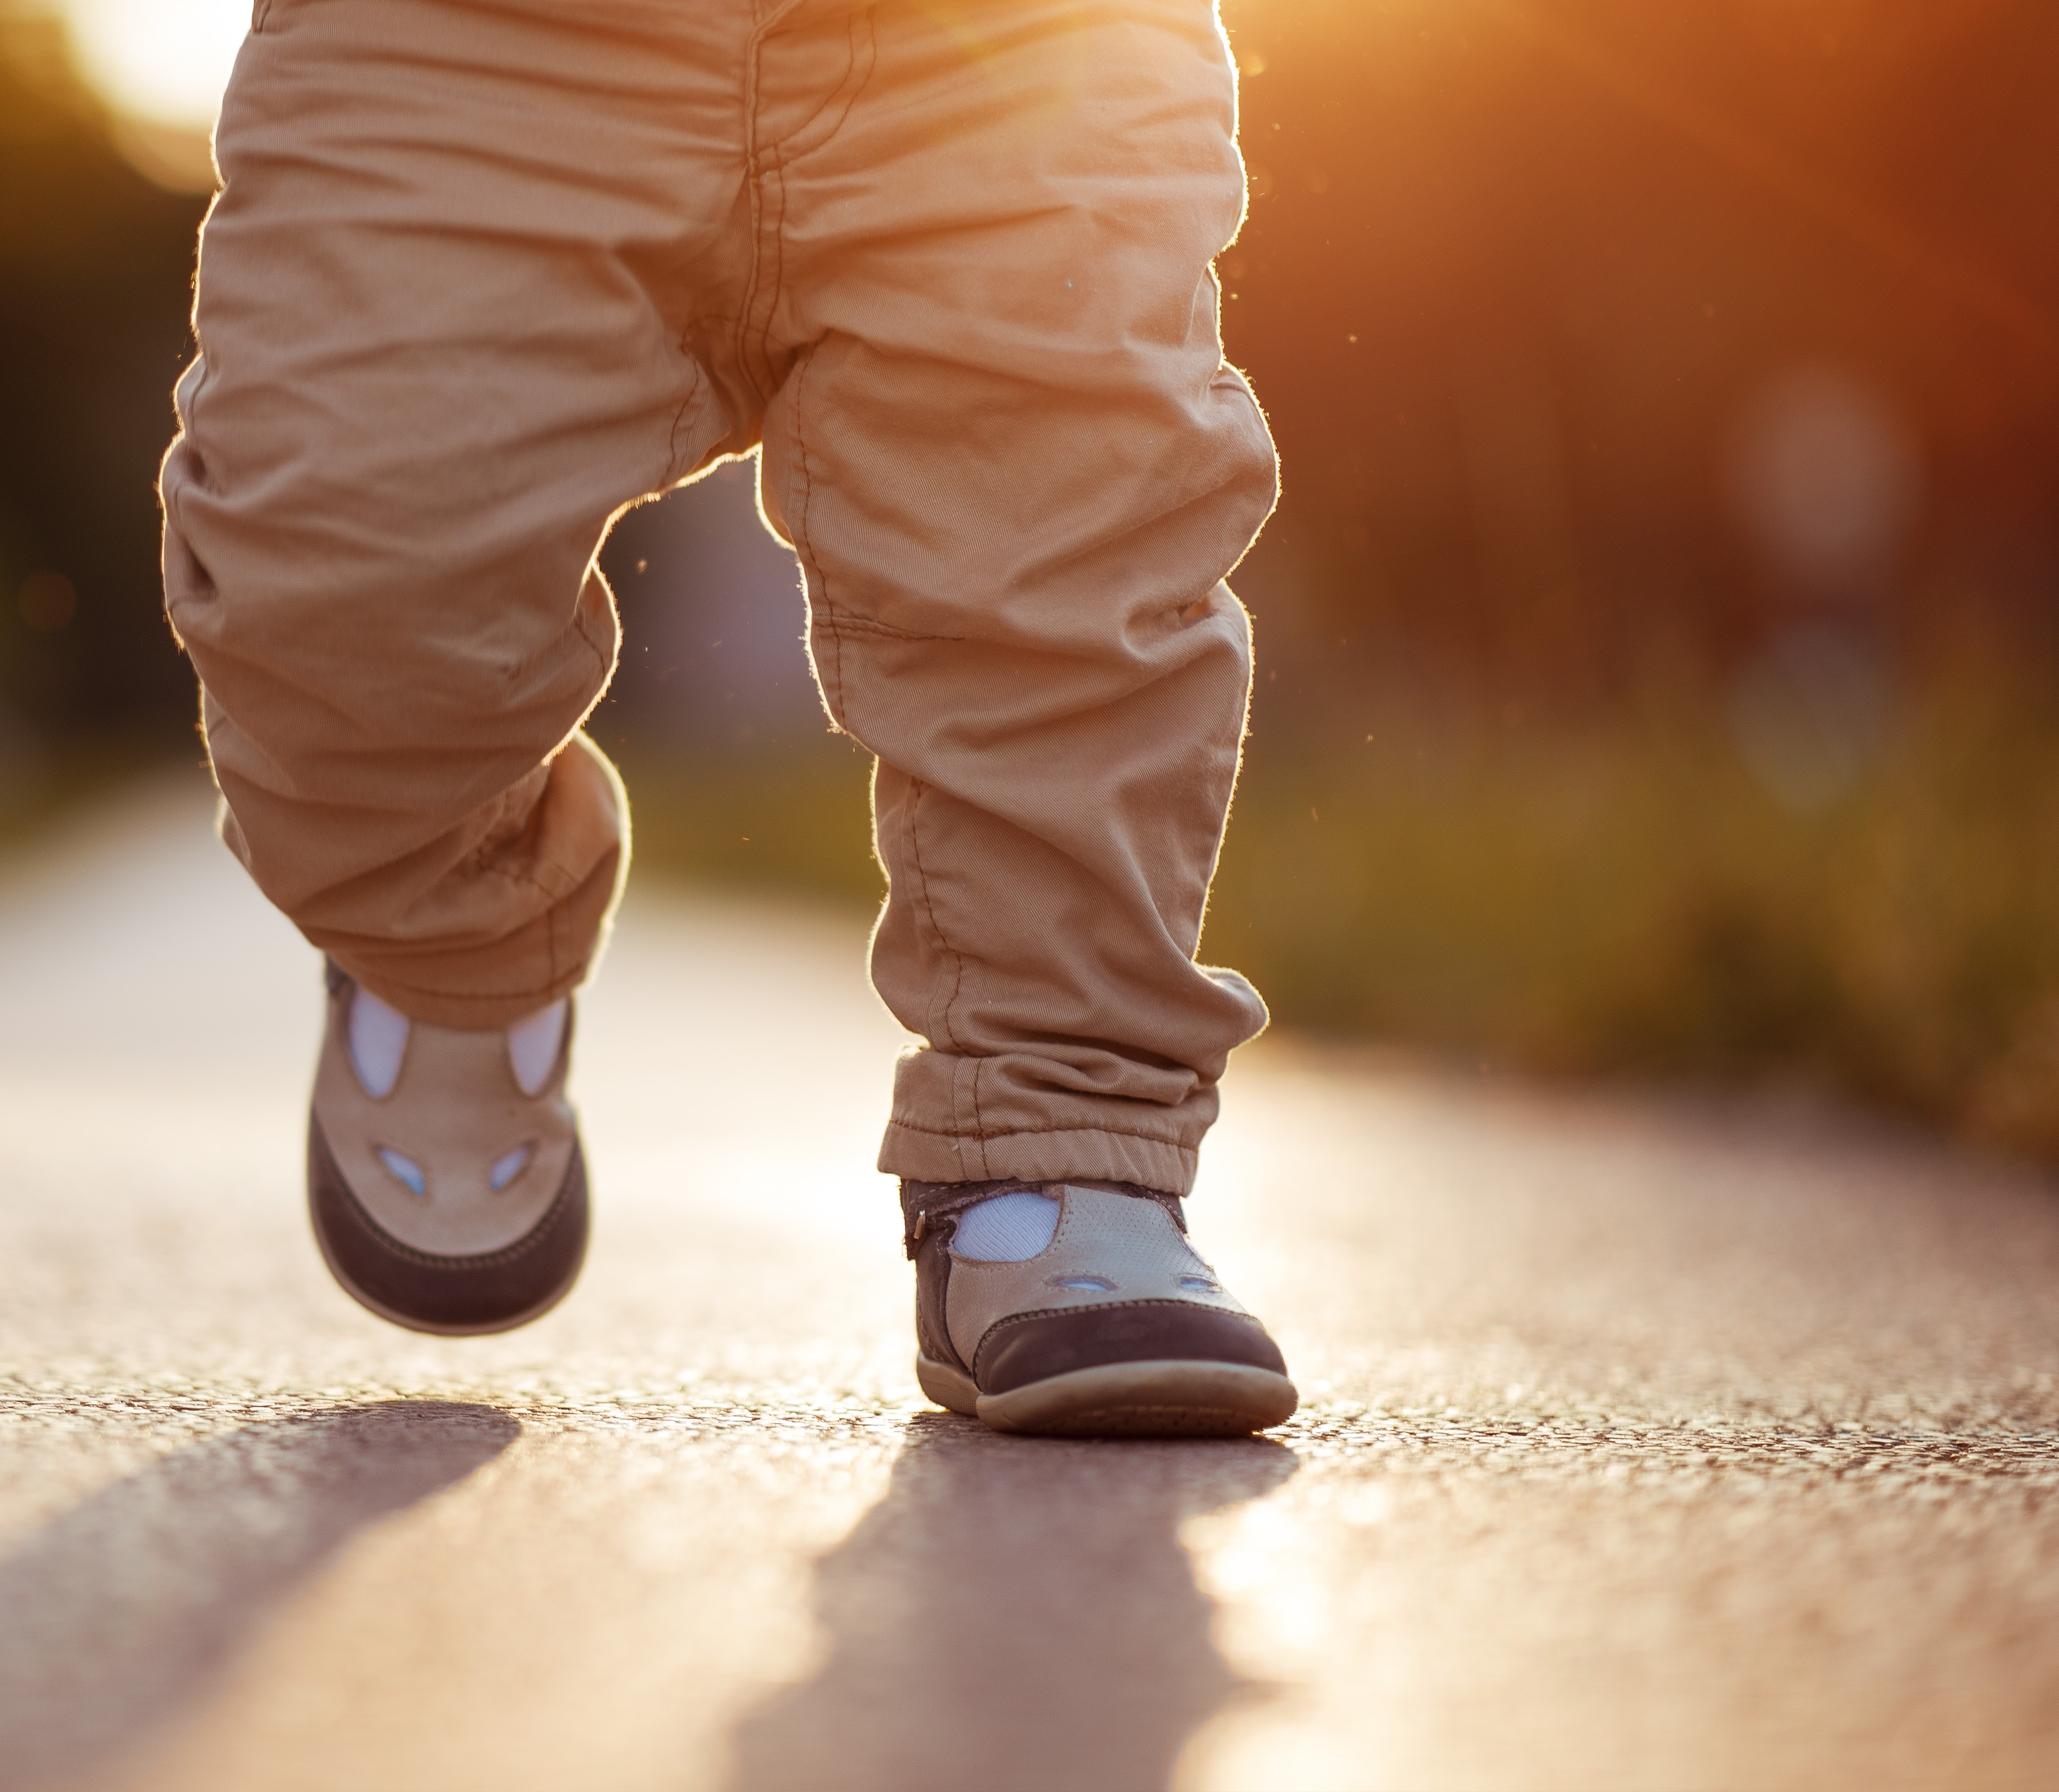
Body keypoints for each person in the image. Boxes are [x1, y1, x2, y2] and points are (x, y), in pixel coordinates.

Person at [158, 0, 1294, 1436]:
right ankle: (449, 928)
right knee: (347, 559)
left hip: (1015, 47)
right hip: (464, 35)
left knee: (1063, 559)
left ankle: (1052, 1144)